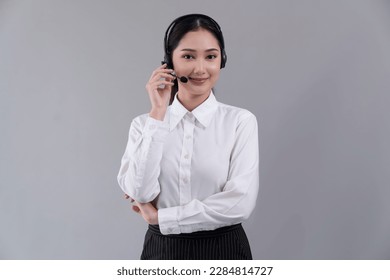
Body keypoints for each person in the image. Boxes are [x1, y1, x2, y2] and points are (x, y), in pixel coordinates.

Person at [117, 14, 259, 260]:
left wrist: (162, 217)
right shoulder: (144, 125)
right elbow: (141, 193)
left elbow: (240, 203)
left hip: (224, 251)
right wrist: (158, 113)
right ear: (169, 61)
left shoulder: (240, 122)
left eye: (211, 56)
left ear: (221, 60)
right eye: (188, 56)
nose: (200, 69)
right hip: (162, 251)